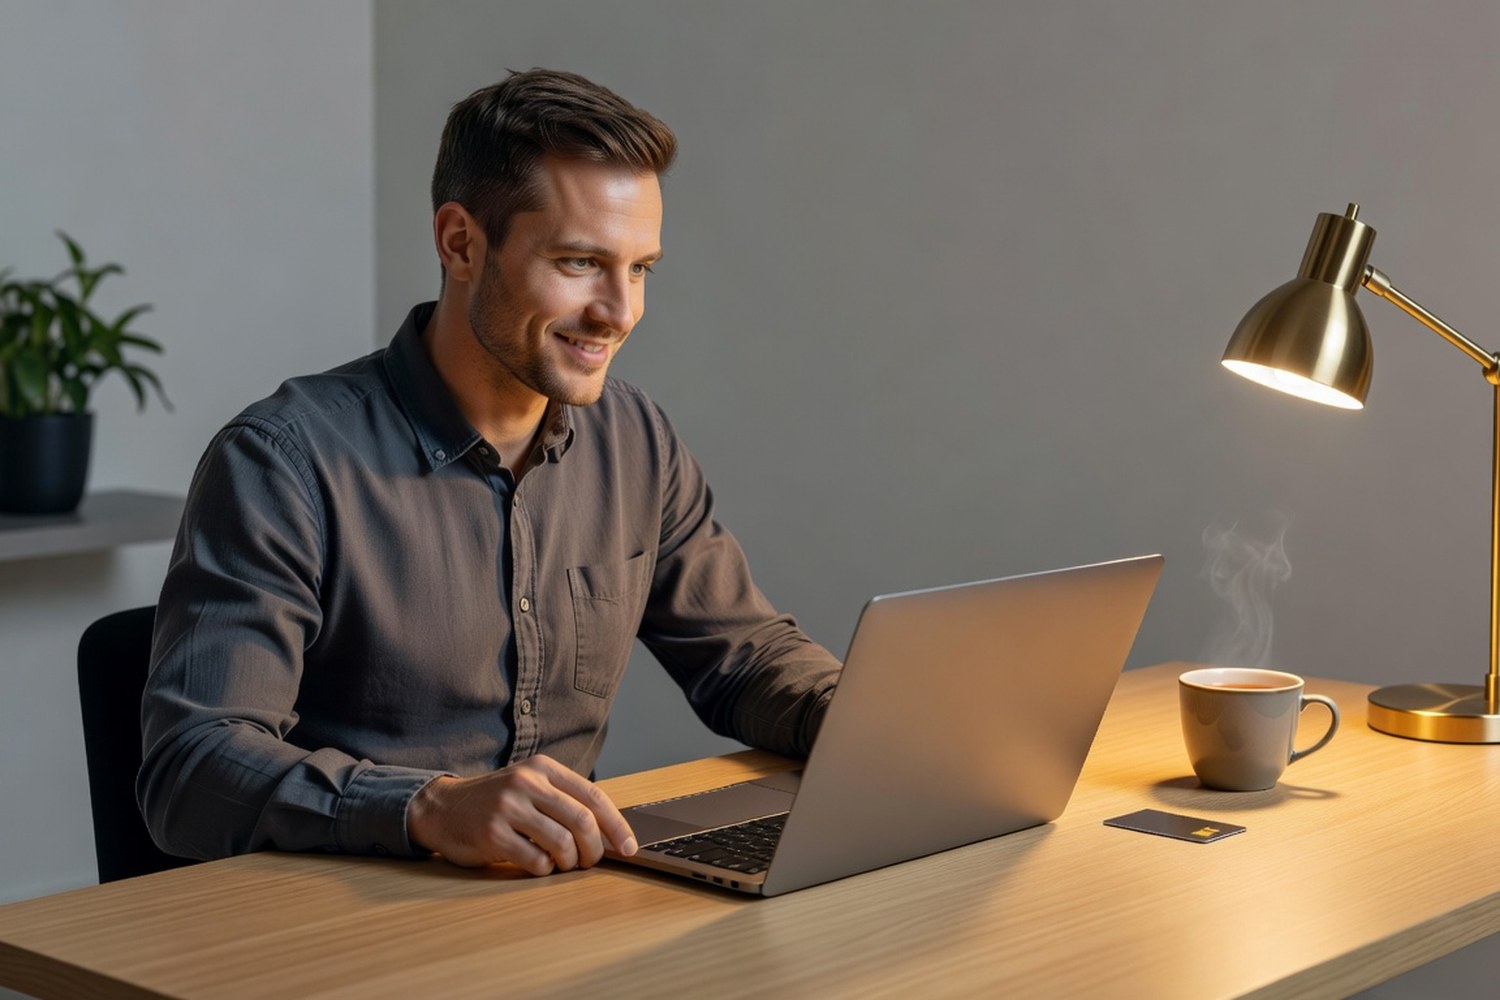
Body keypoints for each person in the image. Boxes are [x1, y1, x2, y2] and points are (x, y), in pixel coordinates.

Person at [139, 69, 841, 878]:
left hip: (561, 907)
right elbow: (188, 770)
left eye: (640, 268)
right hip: (342, 922)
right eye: (580, 262)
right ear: (461, 243)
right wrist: (426, 807)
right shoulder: (283, 461)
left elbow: (745, 658)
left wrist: (885, 724)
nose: (620, 311)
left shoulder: (635, 439)